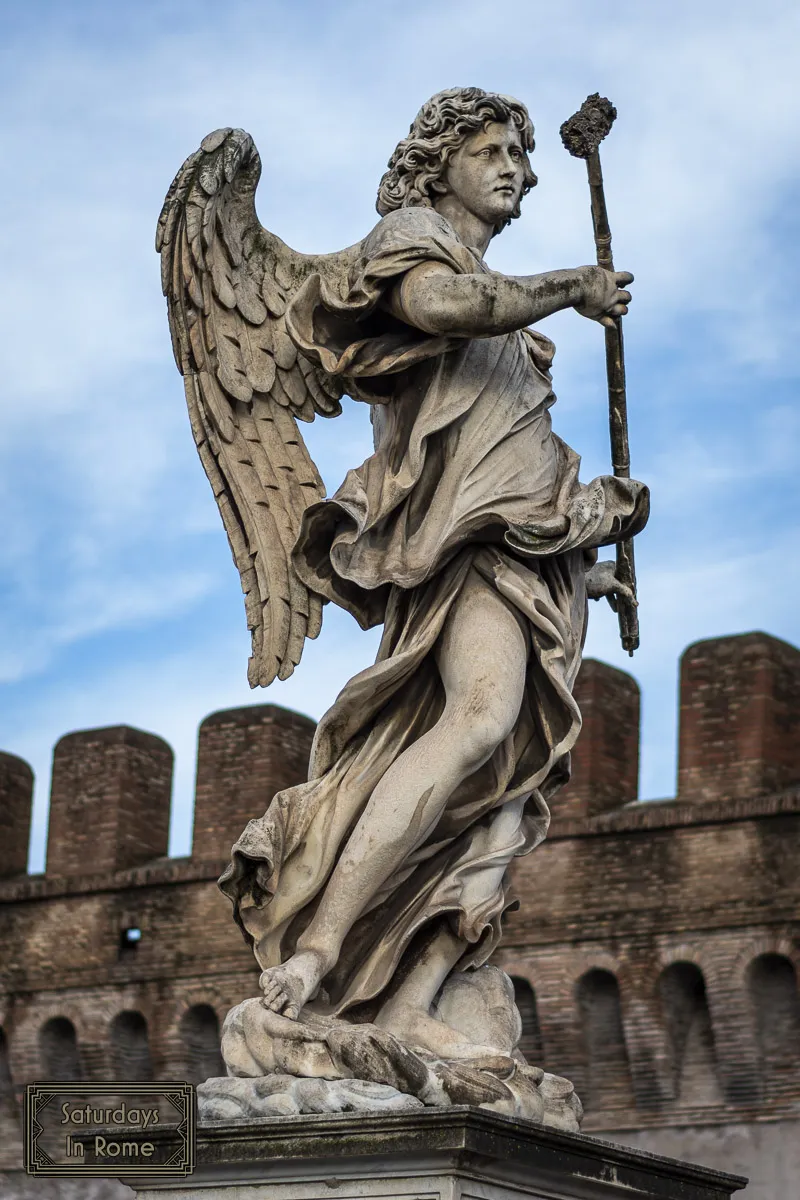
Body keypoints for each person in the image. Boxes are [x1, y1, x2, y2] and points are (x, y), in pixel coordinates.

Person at [219, 87, 648, 1059]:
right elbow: (437, 307)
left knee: (500, 801)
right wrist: (568, 288)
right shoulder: (409, 244)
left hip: (525, 558)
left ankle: (410, 1000)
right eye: (493, 149)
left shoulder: (502, 313)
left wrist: (580, 572)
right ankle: (318, 955)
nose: (518, 170)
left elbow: (501, 456)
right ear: (437, 160)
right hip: (459, 549)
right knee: (478, 722)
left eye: (524, 158)